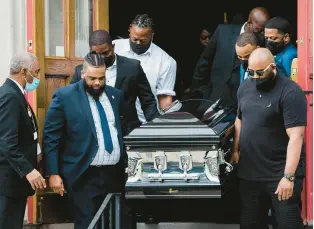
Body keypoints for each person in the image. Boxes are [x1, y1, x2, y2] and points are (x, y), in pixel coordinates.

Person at [43, 53, 127, 229]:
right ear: (82, 74)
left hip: (114, 175)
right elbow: (51, 137)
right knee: (88, 224)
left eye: (101, 78)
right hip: (83, 175)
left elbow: (121, 129)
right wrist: (53, 173)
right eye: (92, 78)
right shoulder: (65, 96)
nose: (97, 83)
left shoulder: (115, 95)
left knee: (115, 223)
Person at [230, 48, 307, 229]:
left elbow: (296, 136)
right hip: (250, 174)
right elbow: (239, 120)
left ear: (272, 67)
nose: (255, 77)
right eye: (251, 72)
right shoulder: (245, 87)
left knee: (288, 223)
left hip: (279, 174)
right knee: (250, 224)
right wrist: (235, 150)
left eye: (259, 72)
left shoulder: (290, 92)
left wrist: (288, 177)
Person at [70, 30, 160, 136]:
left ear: (113, 47)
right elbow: (72, 104)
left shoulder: (133, 67)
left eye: (106, 53)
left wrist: (157, 131)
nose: (102, 58)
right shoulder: (80, 71)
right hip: (93, 134)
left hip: (127, 133)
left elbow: (148, 103)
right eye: (97, 54)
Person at [189, 7, 270, 112]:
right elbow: (204, 63)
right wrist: (196, 94)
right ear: (249, 23)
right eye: (259, 30)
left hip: (239, 105)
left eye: (264, 30)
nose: (262, 34)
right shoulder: (223, 31)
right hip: (211, 98)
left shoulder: (263, 44)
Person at [0, 52, 46, 229]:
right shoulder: (10, 96)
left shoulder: (17, 94)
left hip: (16, 183)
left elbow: (28, 133)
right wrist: (29, 170)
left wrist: (38, 154)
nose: (38, 76)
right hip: (8, 182)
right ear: (24, 71)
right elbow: (6, 142)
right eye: (37, 71)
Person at [113, 14, 177, 122]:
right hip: (113, 118)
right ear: (129, 30)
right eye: (134, 39)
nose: (138, 43)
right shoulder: (113, 48)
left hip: (145, 122)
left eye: (143, 41)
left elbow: (165, 100)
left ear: (152, 36)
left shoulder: (166, 62)